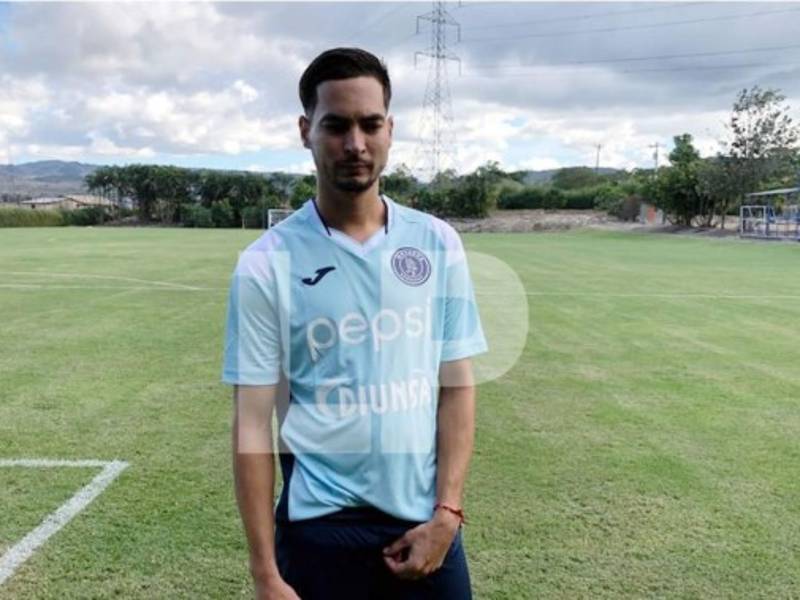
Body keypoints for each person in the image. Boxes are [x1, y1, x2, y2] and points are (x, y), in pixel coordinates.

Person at [222, 47, 487, 599]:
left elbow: (457, 388)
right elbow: (252, 426)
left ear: (390, 129)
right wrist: (265, 574)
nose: (355, 145)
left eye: (370, 125)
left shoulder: (437, 243)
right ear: (305, 130)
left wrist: (448, 514)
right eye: (335, 125)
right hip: (319, 534)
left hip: (426, 526)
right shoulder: (266, 262)